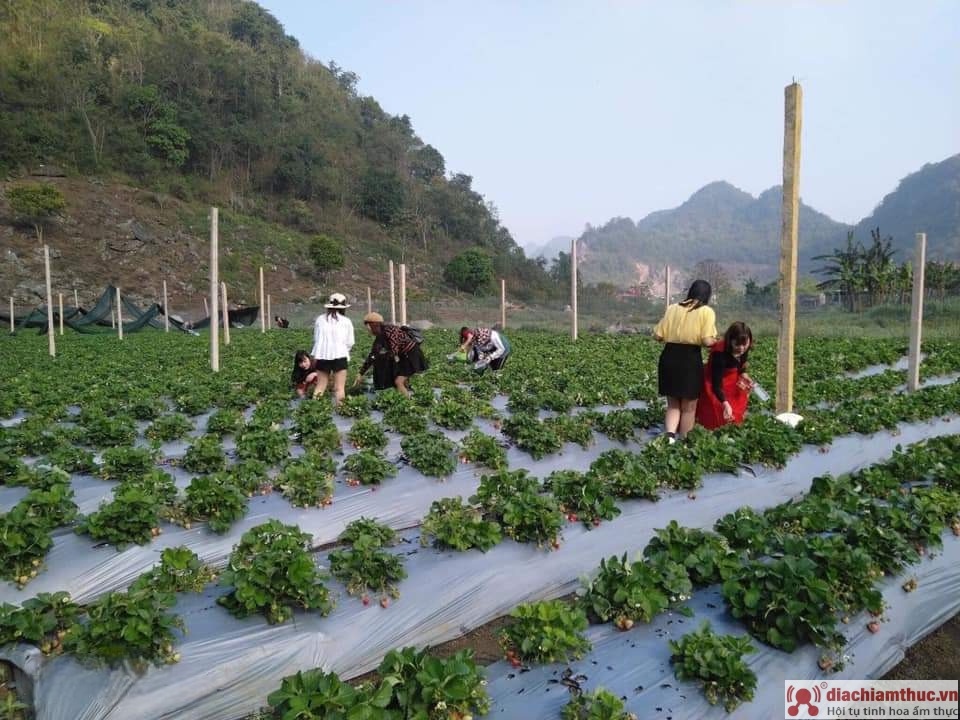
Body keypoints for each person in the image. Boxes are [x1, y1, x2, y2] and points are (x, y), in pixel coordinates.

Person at [653, 279, 718, 443]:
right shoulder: (706, 311)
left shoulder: (672, 308)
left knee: (673, 403)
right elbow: (706, 340)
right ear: (707, 295)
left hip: (669, 357)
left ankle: (669, 437)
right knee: (689, 407)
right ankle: (684, 441)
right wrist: (720, 343)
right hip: (689, 359)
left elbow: (658, 336)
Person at [696, 322, 754, 430]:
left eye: (744, 344)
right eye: (737, 344)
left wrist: (744, 375)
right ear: (730, 340)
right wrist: (725, 404)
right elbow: (716, 386)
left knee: (734, 414)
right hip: (714, 383)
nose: (741, 348)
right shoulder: (719, 354)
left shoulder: (745, 348)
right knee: (717, 415)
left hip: (731, 382)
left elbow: (741, 365)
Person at [354, 312, 428, 395]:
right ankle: (408, 396)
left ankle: (408, 404)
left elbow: (390, 352)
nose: (368, 330)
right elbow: (374, 354)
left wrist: (380, 360)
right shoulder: (383, 333)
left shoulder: (387, 332)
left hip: (411, 355)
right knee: (400, 380)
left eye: (368, 326)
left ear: (374, 325)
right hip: (407, 355)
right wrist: (362, 372)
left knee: (398, 382)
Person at [310, 293, 355, 405]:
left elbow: (316, 338)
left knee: (320, 387)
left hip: (322, 356)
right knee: (339, 388)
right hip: (340, 356)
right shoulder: (346, 321)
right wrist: (344, 350)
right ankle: (341, 410)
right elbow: (350, 342)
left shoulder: (320, 320)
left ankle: (314, 409)